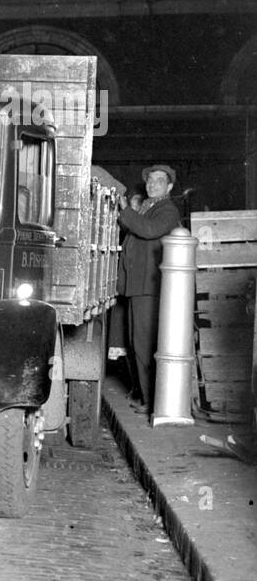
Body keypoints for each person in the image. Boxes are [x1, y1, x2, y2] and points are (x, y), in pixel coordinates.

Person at [118, 164, 182, 414]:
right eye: (150, 180)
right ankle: (146, 397)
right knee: (137, 343)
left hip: (150, 286)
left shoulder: (167, 209)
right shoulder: (148, 207)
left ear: (169, 187)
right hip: (139, 284)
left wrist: (125, 211)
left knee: (145, 344)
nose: (152, 184)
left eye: (159, 181)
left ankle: (154, 402)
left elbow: (148, 230)